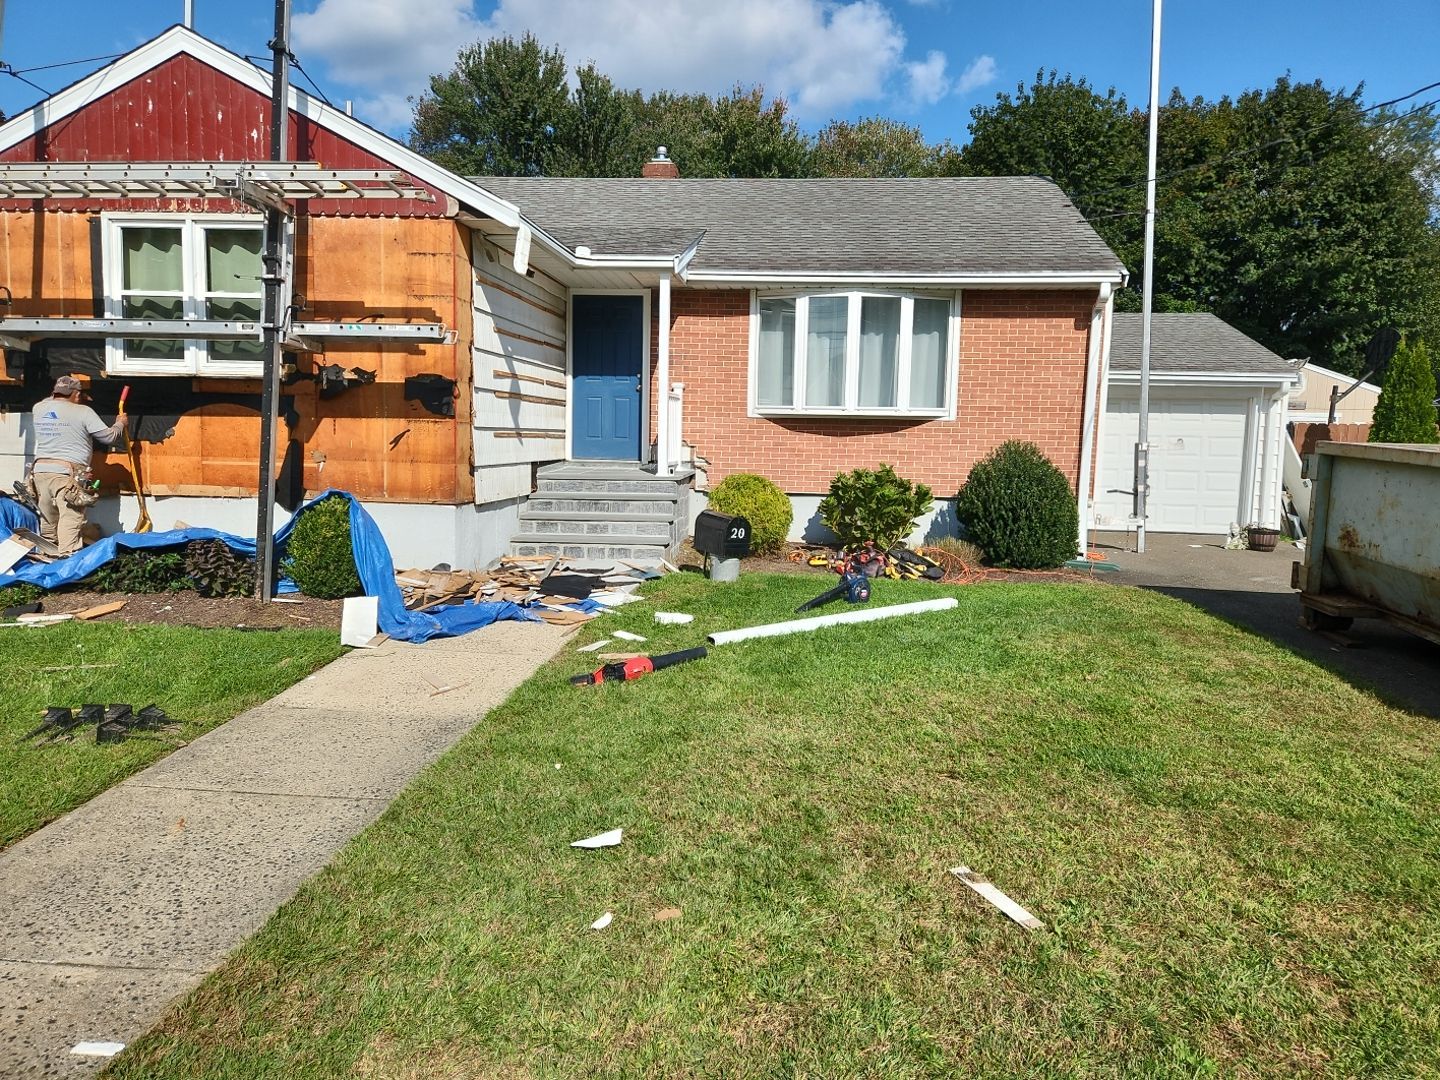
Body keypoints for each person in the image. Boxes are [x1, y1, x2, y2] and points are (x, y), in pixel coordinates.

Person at [28, 376, 126, 555]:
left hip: (40, 473)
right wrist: (120, 424)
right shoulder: (83, 412)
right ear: (77, 393)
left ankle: (46, 562)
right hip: (68, 475)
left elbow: (52, 401)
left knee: (48, 523)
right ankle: (67, 565)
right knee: (70, 521)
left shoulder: (39, 408)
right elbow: (108, 437)